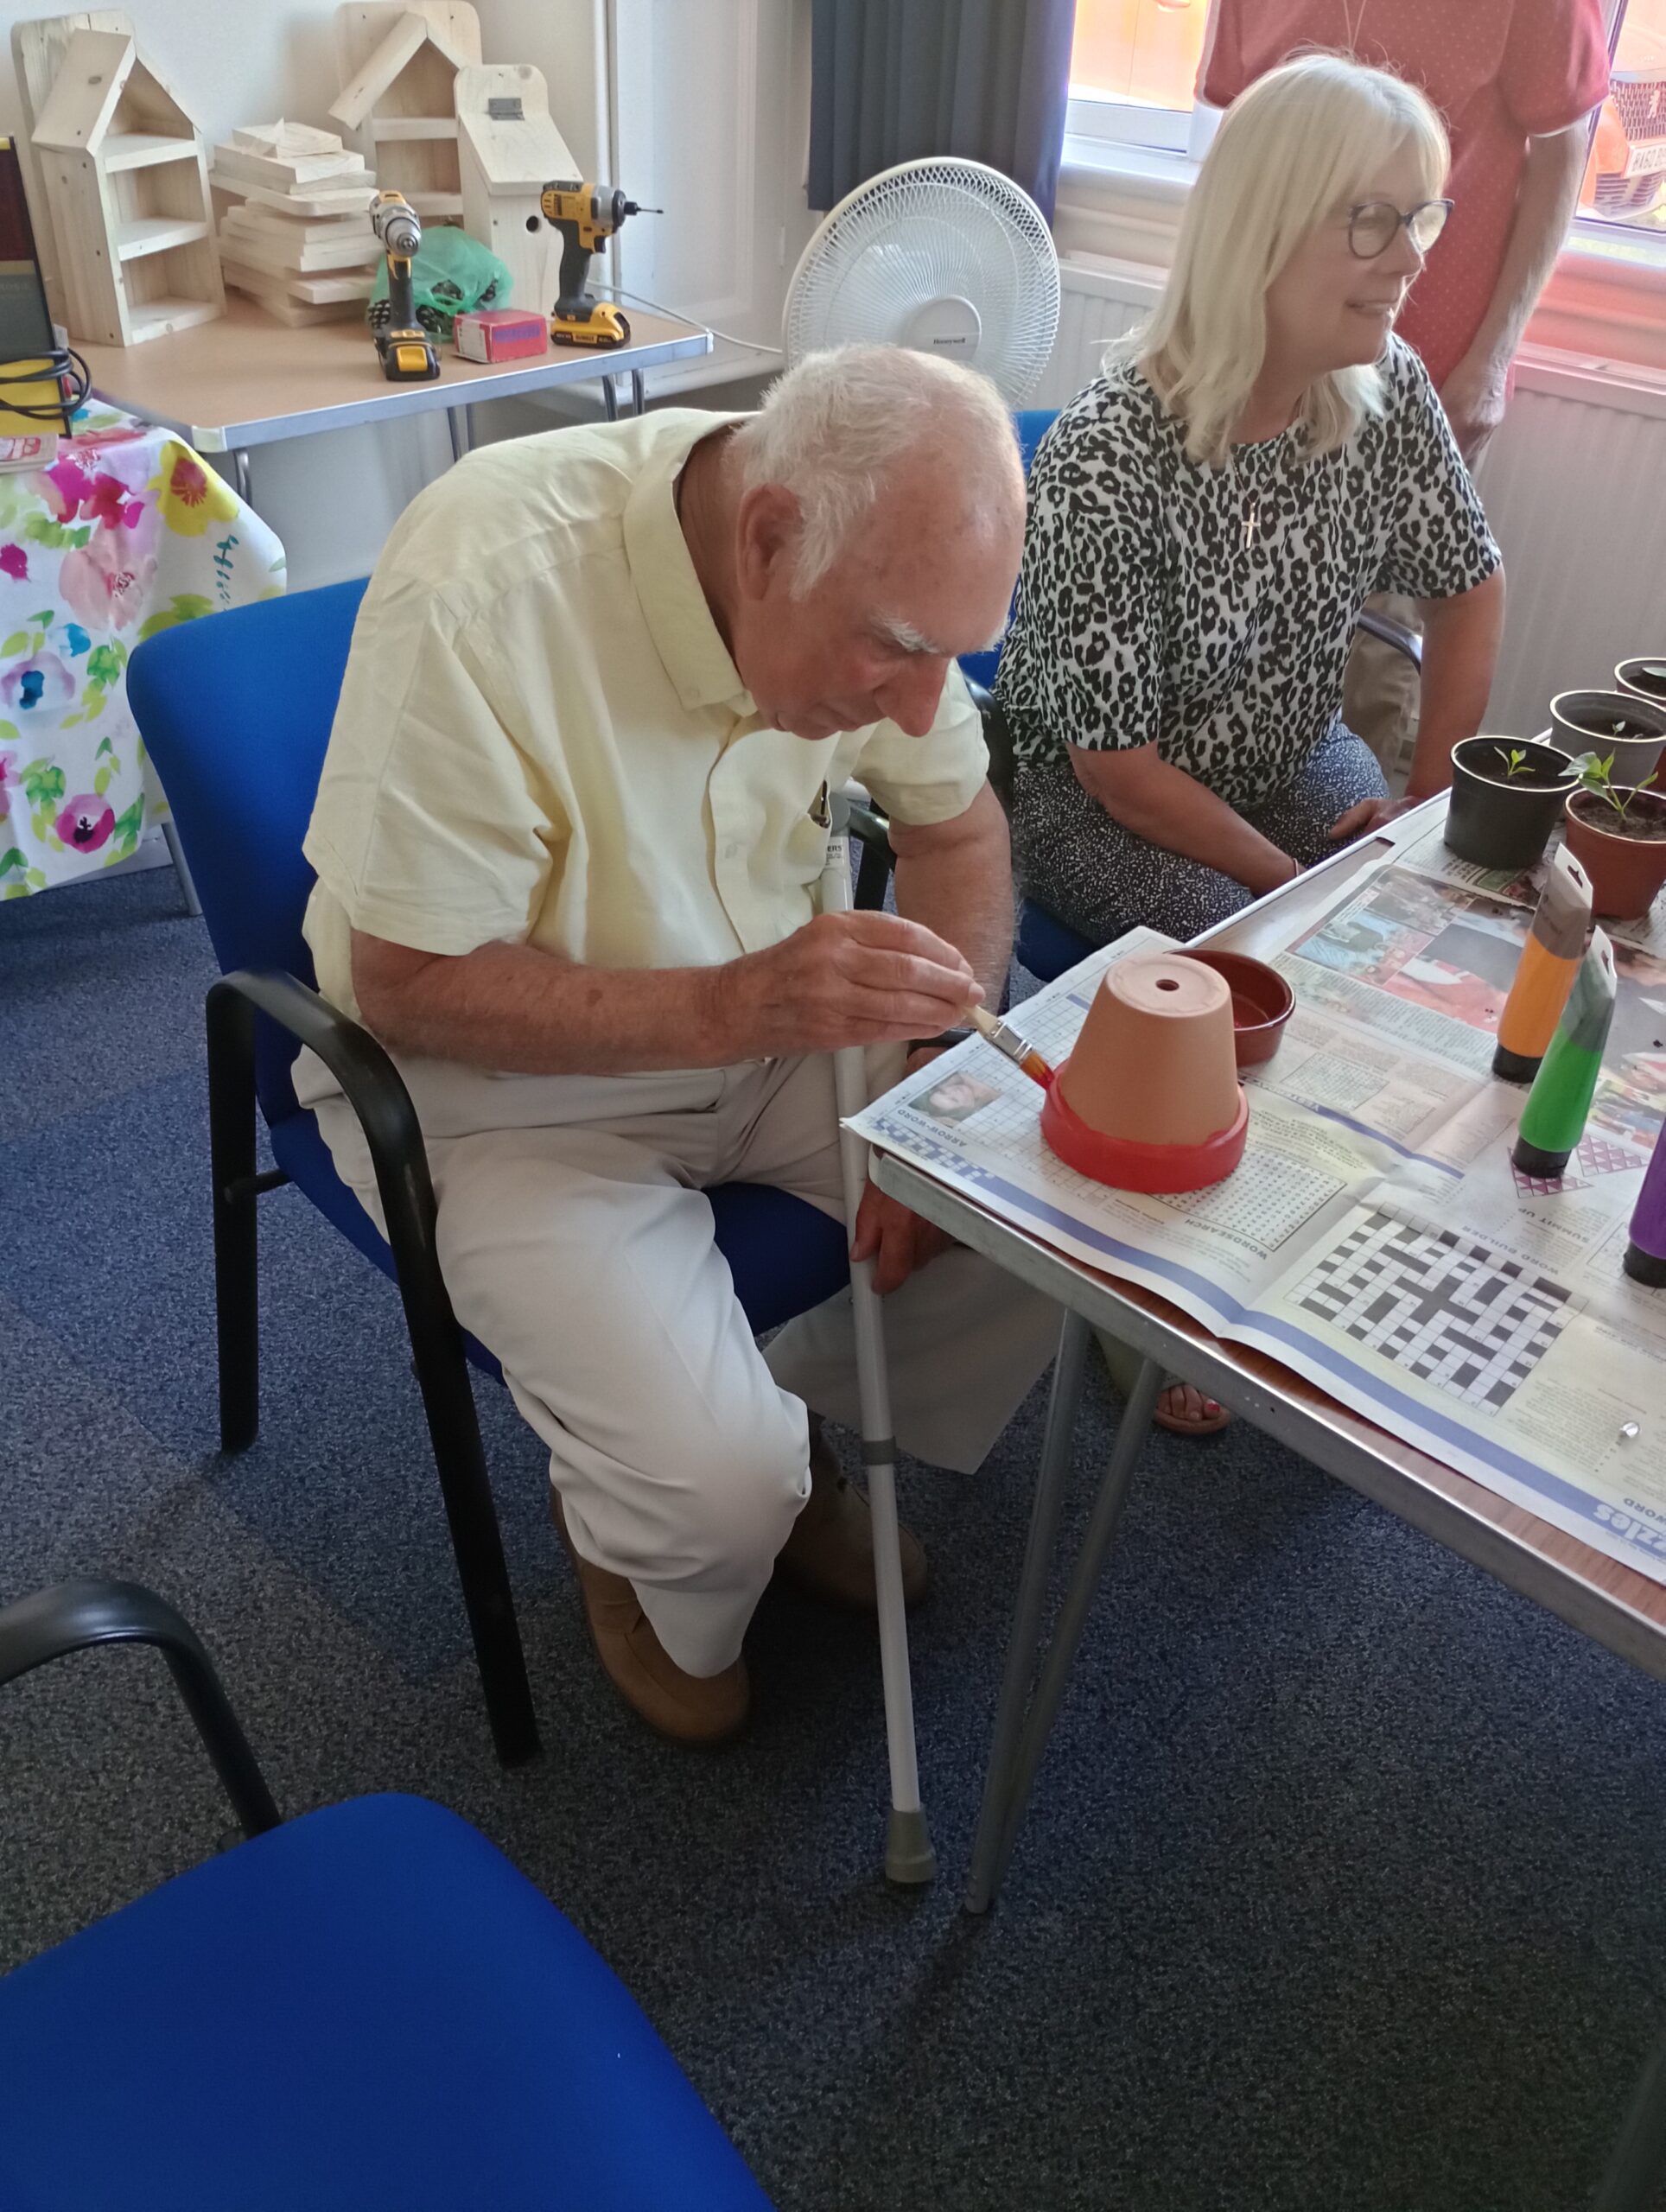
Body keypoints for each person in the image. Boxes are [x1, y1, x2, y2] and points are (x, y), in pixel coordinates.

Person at [296, 346, 1061, 1746]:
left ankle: (797, 1420)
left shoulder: (853, 543)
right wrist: (731, 1009)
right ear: (764, 542)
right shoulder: (487, 579)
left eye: (949, 656)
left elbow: (955, 826)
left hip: (774, 1018)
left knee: (1038, 1197)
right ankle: (652, 1535)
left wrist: (918, 1098)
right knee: (715, 1497)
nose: (916, 703)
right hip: (500, 1084)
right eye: (897, 647)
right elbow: (403, 984)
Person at [997, 55, 1505, 1433]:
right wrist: (1296, 878)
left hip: (1289, 756)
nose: (1409, 259)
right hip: (1091, 801)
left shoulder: (1380, 389)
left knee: (1398, 951)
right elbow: (1113, 766)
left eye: (1425, 219)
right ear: (1265, 226)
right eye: (1373, 220)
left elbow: (1470, 582)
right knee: (1255, 987)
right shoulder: (1113, 451)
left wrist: (1418, 810)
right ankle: (1144, 1292)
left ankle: (1300, 1234)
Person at [1202, 0, 1609, 770]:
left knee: (1374, 669)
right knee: (1231, 641)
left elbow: (1562, 149)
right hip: (1258, 371)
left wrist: (1491, 359)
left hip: (1418, 379)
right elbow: (1238, 156)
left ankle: (1364, 850)